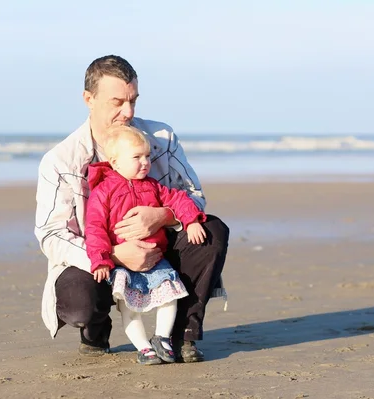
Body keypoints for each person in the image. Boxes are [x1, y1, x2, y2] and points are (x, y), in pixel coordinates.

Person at [34, 55, 229, 363]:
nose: (128, 112)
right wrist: (111, 255)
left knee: (212, 231)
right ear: (89, 99)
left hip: (158, 247)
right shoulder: (61, 160)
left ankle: (180, 337)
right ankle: (95, 332)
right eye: (117, 102)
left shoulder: (160, 139)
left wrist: (163, 216)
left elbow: (194, 195)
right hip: (96, 256)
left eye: (133, 101)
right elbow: (50, 234)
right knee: (78, 304)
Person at [85, 125, 208, 365]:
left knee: (169, 296)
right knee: (128, 307)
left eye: (148, 156)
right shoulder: (103, 191)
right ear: (115, 162)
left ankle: (161, 338)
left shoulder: (152, 186)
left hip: (154, 257)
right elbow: (95, 227)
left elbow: (178, 199)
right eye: (136, 157)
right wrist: (101, 259)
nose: (145, 162)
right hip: (123, 263)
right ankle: (143, 348)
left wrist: (191, 220)